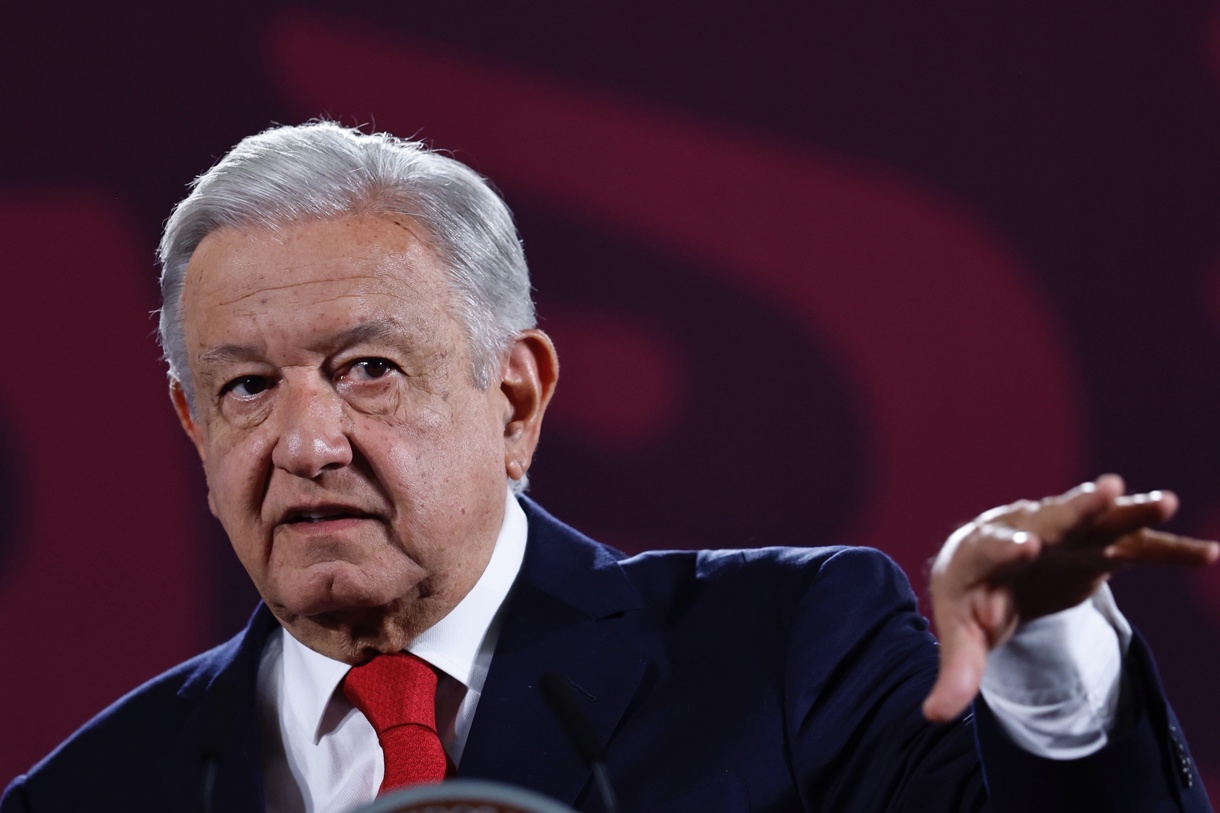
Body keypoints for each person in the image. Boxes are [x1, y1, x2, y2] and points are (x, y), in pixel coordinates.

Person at [2, 121, 1216, 812]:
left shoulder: (789, 654)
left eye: (368, 368)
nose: (306, 443)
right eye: (247, 388)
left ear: (515, 396)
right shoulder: (88, 799)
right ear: (193, 429)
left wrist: (1053, 667)